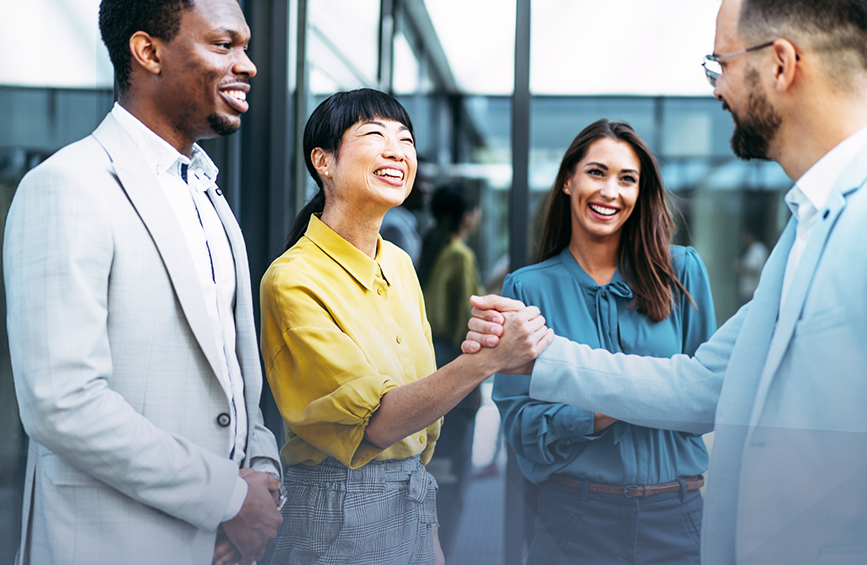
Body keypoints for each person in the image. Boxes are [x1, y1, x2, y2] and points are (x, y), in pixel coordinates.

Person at [464, 0, 867, 565]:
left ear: (780, 64)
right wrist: (541, 353)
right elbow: (699, 385)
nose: (717, 87)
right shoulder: (809, 230)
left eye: (719, 63)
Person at [3, 0, 283, 565]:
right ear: (148, 53)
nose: (247, 65)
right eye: (222, 44)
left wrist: (259, 479)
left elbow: (236, 385)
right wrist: (226, 501)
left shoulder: (208, 193)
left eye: (246, 46)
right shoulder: (69, 186)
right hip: (114, 544)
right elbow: (63, 403)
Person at [259, 89, 549, 565]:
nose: (398, 151)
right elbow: (376, 423)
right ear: (323, 162)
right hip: (336, 514)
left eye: (406, 140)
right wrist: (487, 361)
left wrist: (428, 526)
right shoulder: (292, 279)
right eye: (375, 135)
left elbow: (416, 426)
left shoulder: (397, 262)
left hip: (411, 496)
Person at [493, 119, 716, 565]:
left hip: (677, 517)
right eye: (597, 172)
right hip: (575, 520)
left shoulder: (681, 271)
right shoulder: (527, 289)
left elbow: (705, 401)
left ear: (640, 194)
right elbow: (521, 426)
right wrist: (639, 396)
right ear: (567, 181)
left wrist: (589, 394)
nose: (610, 192)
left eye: (627, 179)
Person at [417, 180, 485, 553]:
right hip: (455, 372)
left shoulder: (432, 245)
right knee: (454, 478)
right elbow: (466, 325)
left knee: (436, 473)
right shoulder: (459, 254)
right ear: (467, 216)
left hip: (431, 366)